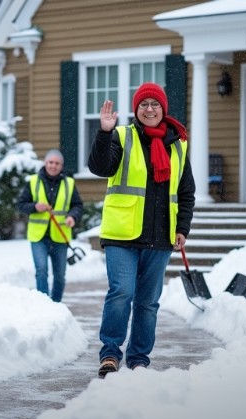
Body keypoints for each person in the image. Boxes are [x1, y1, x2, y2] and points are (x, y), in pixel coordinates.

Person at [89, 82, 195, 377]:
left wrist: (182, 227)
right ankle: (110, 354)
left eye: (155, 104)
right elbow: (100, 168)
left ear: (164, 109)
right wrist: (104, 132)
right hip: (122, 234)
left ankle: (139, 359)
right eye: (144, 104)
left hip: (161, 236)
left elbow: (186, 193)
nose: (150, 109)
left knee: (147, 302)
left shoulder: (178, 145)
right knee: (121, 292)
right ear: (136, 110)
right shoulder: (122, 136)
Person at [16, 149, 84, 302]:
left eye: (57, 163)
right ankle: (44, 304)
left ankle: (56, 304)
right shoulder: (33, 181)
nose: (53, 166)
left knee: (60, 275)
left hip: (60, 236)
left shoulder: (69, 183)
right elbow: (21, 205)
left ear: (62, 166)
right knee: (41, 270)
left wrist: (72, 216)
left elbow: (78, 205)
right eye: (51, 162)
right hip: (38, 236)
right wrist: (35, 206)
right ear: (45, 163)